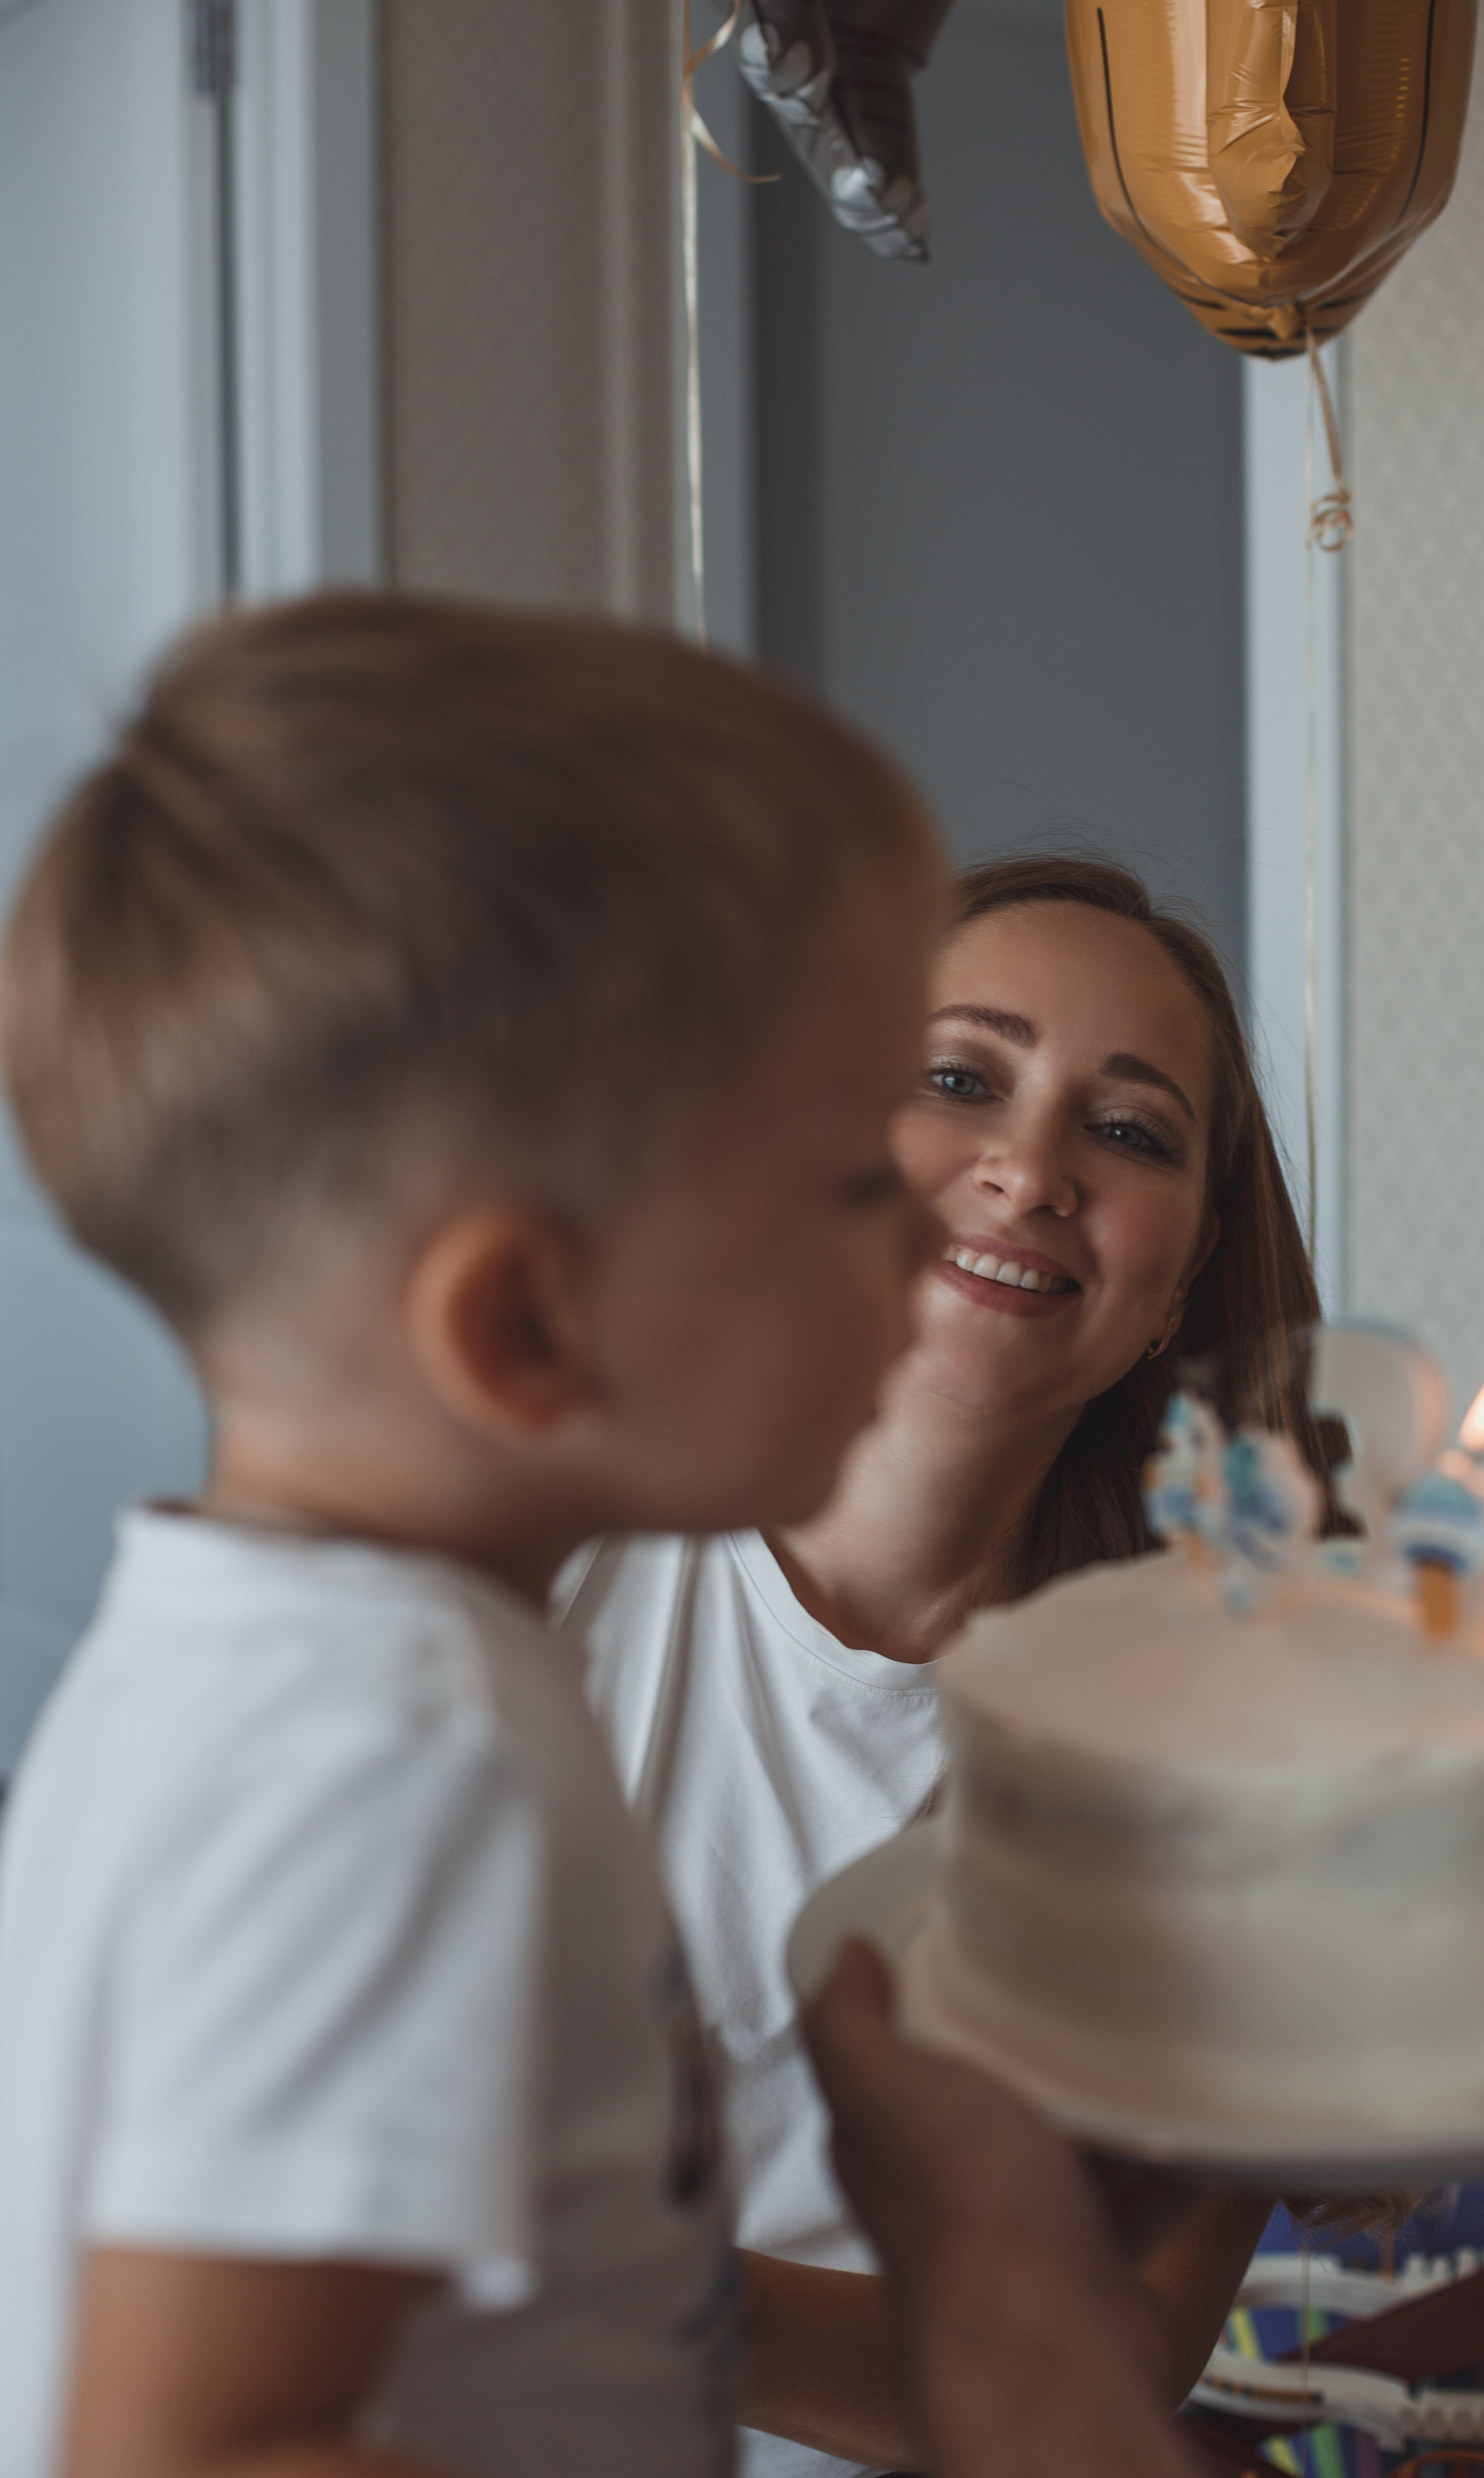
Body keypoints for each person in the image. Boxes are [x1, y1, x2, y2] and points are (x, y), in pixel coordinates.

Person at [0, 603, 1198, 2478]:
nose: (922, 1229)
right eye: (830, 1176)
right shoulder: (394, 1765)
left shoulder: (340, 1682)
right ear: (527, 1329)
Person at [559, 852, 1331, 2478]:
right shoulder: (531, 1556)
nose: (1028, 1168)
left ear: (1178, 1273)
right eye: (955, 1079)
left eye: (1124, 1131)